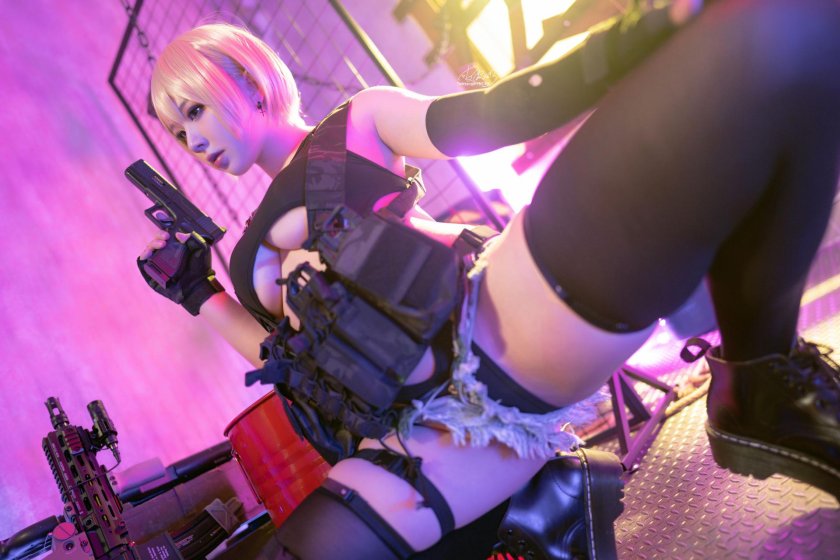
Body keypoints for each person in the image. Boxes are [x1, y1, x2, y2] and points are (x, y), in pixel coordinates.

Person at [139, 0, 840, 557]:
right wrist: (199, 294)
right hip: (413, 452)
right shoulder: (243, 256)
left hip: (502, 333)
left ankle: (760, 376)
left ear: (243, 78)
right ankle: (547, 506)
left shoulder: (358, 122)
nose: (192, 139)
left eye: (194, 109)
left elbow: (498, 115)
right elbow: (285, 362)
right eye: (176, 130)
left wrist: (638, 32)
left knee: (783, 30)